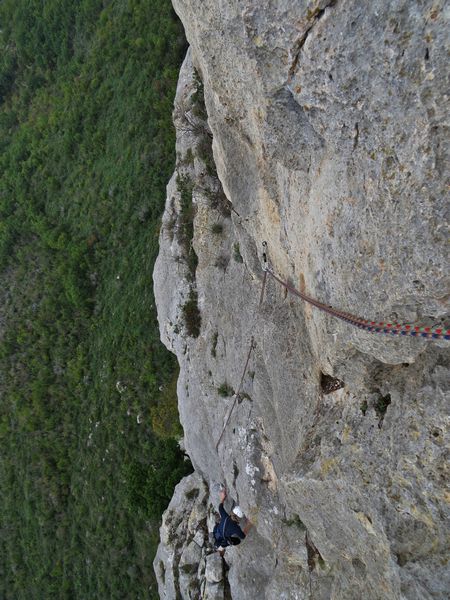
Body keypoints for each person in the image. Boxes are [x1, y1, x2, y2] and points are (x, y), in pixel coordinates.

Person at [213, 489, 250, 555]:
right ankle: (220, 547)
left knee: (234, 541)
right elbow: (220, 507)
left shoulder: (235, 528)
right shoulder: (224, 516)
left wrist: (249, 523)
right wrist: (222, 498)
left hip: (221, 536)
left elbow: (243, 536)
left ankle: (220, 547)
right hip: (220, 531)